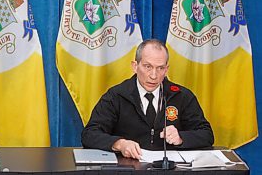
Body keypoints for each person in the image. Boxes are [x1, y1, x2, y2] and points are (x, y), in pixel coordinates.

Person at [81, 39, 214, 159]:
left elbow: (206, 135)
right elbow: (89, 134)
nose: (154, 76)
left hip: (170, 173)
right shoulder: (116, 95)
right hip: (128, 173)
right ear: (135, 66)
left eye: (160, 68)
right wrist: (119, 144)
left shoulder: (181, 96)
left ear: (166, 69)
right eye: (148, 67)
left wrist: (181, 137)